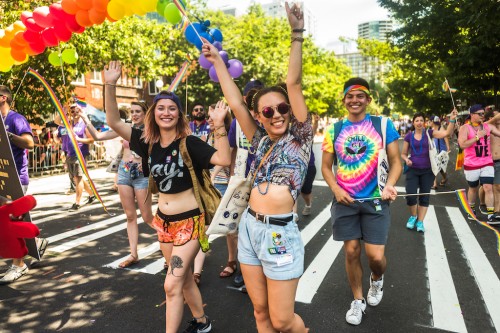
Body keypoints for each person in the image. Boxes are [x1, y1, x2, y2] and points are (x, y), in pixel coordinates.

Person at [202, 3, 311, 332]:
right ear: (260, 117)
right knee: (260, 314)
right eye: (267, 112)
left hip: (279, 233)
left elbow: (292, 82)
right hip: (248, 228)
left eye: (281, 108)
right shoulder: (259, 139)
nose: (276, 114)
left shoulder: (301, 137)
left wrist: (297, 34)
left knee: (282, 320)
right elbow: (235, 102)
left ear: (289, 110)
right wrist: (219, 62)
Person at [104, 61, 230, 333]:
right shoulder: (146, 142)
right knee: (183, 282)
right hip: (164, 224)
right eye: (160, 107)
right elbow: (113, 121)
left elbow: (223, 157)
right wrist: (110, 84)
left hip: (190, 224)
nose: (166, 112)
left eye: (172, 108)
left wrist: (219, 126)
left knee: (171, 283)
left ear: (179, 115)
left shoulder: (189, 143)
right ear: (153, 113)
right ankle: (202, 322)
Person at [321, 77, 402, 325]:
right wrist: (335, 188)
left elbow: (396, 160)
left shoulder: (383, 124)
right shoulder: (333, 130)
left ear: (368, 99)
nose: (354, 100)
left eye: (360, 96)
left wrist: (390, 184)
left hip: (376, 201)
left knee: (375, 257)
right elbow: (325, 167)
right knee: (351, 251)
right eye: (349, 96)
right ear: (344, 100)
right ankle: (358, 300)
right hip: (345, 201)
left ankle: (376, 280)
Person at [80, 101, 154, 268]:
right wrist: (85, 118)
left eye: (138, 111)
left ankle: (170, 244)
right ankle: (133, 254)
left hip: (142, 174)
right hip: (124, 172)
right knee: (130, 216)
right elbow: (99, 136)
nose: (134, 114)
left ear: (145, 113)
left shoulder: (151, 131)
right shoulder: (125, 128)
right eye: (132, 111)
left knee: (147, 217)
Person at [0, 85, 48, 284]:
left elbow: (30, 143)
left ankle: (18, 265)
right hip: (1, 177)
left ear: (3, 98)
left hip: (15, 178)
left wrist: (8, 135)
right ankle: (35, 243)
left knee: (12, 219)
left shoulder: (15, 119)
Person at [192, 102, 232, 285]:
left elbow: (223, 159)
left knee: (230, 228)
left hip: (222, 184)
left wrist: (214, 176)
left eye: (211, 116)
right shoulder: (207, 134)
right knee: (203, 225)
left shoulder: (225, 135)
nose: (208, 119)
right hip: (206, 185)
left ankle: (233, 261)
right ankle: (198, 269)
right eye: (208, 116)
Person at [228, 83, 262, 289]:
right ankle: (242, 269)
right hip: (242, 179)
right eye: (249, 96)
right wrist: (232, 174)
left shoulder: (267, 118)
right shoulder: (236, 123)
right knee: (240, 227)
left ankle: (260, 270)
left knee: (258, 226)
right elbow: (232, 149)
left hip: (262, 181)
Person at [401, 111, 457, 232]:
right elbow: (403, 153)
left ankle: (420, 222)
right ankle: (413, 216)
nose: (419, 123)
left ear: (425, 122)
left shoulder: (430, 133)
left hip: (427, 171)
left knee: (424, 197)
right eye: (417, 120)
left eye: (421, 120)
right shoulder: (409, 136)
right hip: (412, 170)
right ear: (413, 122)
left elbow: (446, 133)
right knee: (410, 195)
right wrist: (406, 160)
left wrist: (452, 120)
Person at [458, 104, 500, 221]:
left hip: (487, 162)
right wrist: (477, 137)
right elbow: (462, 145)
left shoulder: (488, 127)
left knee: (488, 187)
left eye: (483, 114)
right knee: (473, 188)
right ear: (472, 115)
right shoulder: (465, 128)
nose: (482, 116)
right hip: (471, 164)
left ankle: (491, 215)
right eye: (480, 114)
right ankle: (471, 210)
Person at [56, 104, 96, 210]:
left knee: (78, 178)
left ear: (80, 111)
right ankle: (92, 195)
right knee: (77, 178)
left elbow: (92, 139)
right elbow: (56, 121)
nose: (74, 113)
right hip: (70, 154)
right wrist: (63, 110)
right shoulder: (68, 124)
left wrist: (79, 139)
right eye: (72, 111)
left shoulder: (84, 124)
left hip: (80, 155)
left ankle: (77, 203)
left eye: (76, 111)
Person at [485, 107, 500, 223]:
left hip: (499, 161)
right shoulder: (487, 127)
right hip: (488, 162)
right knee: (487, 187)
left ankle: (496, 211)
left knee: (496, 187)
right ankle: (482, 202)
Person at [430, 116, 451, 189]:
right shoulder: (431, 129)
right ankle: (434, 184)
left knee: (441, 168)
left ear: (433, 121)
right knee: (434, 166)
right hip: (434, 151)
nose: (429, 123)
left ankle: (445, 178)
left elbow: (445, 137)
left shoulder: (441, 128)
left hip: (442, 151)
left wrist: (448, 147)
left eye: (430, 121)